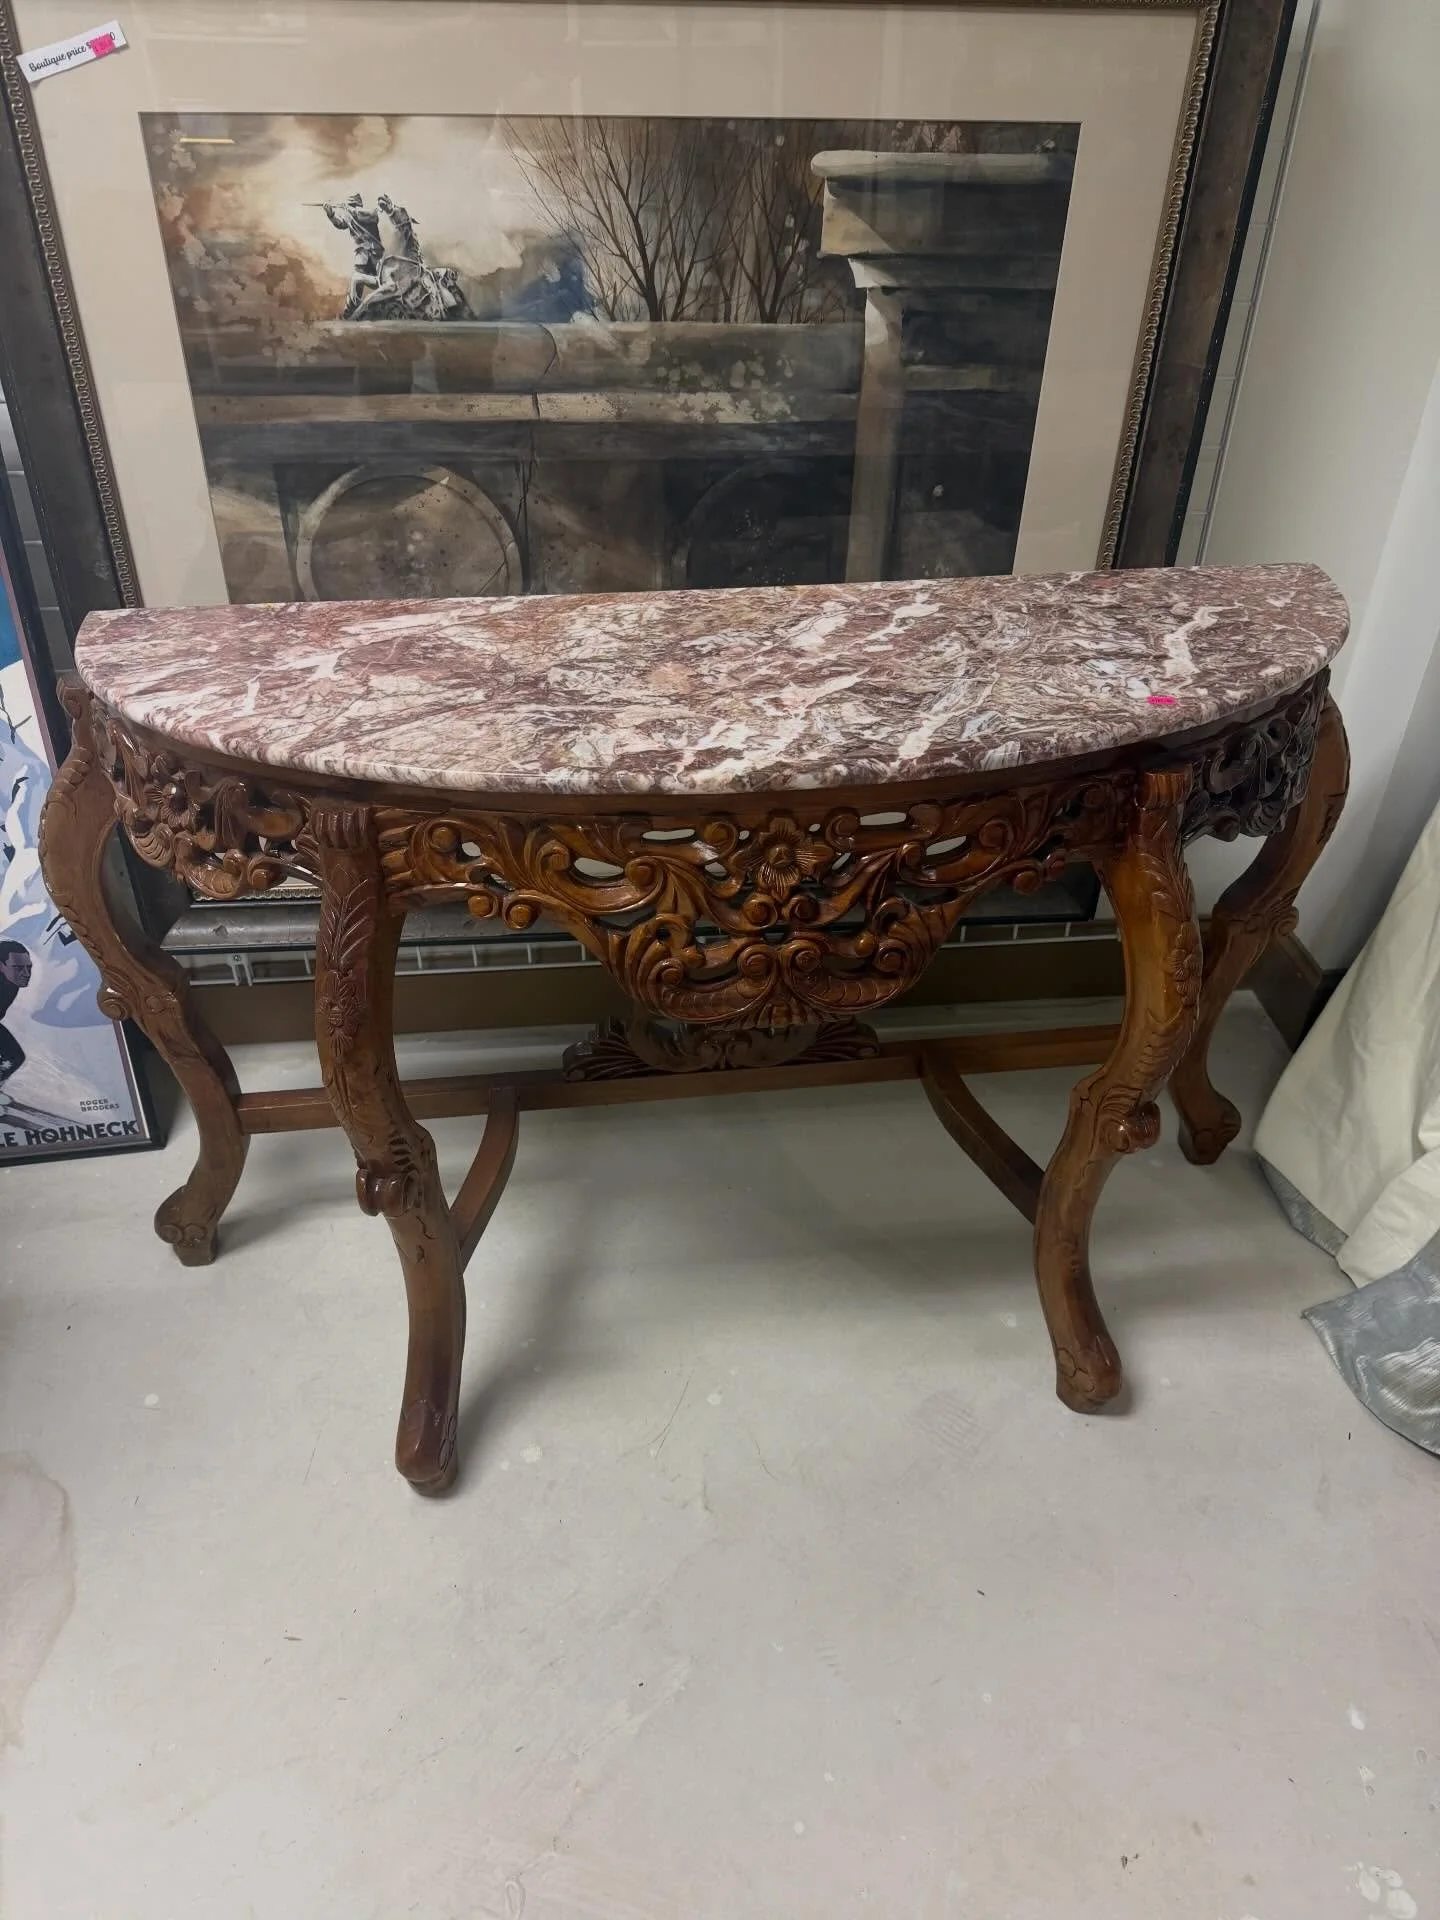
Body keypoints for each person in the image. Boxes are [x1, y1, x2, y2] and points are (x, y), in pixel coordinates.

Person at [0, 938, 33, 1093]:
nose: (26, 974)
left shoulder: (11, 983)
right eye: (18, 968)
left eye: (29, 967)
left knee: (14, 1057)